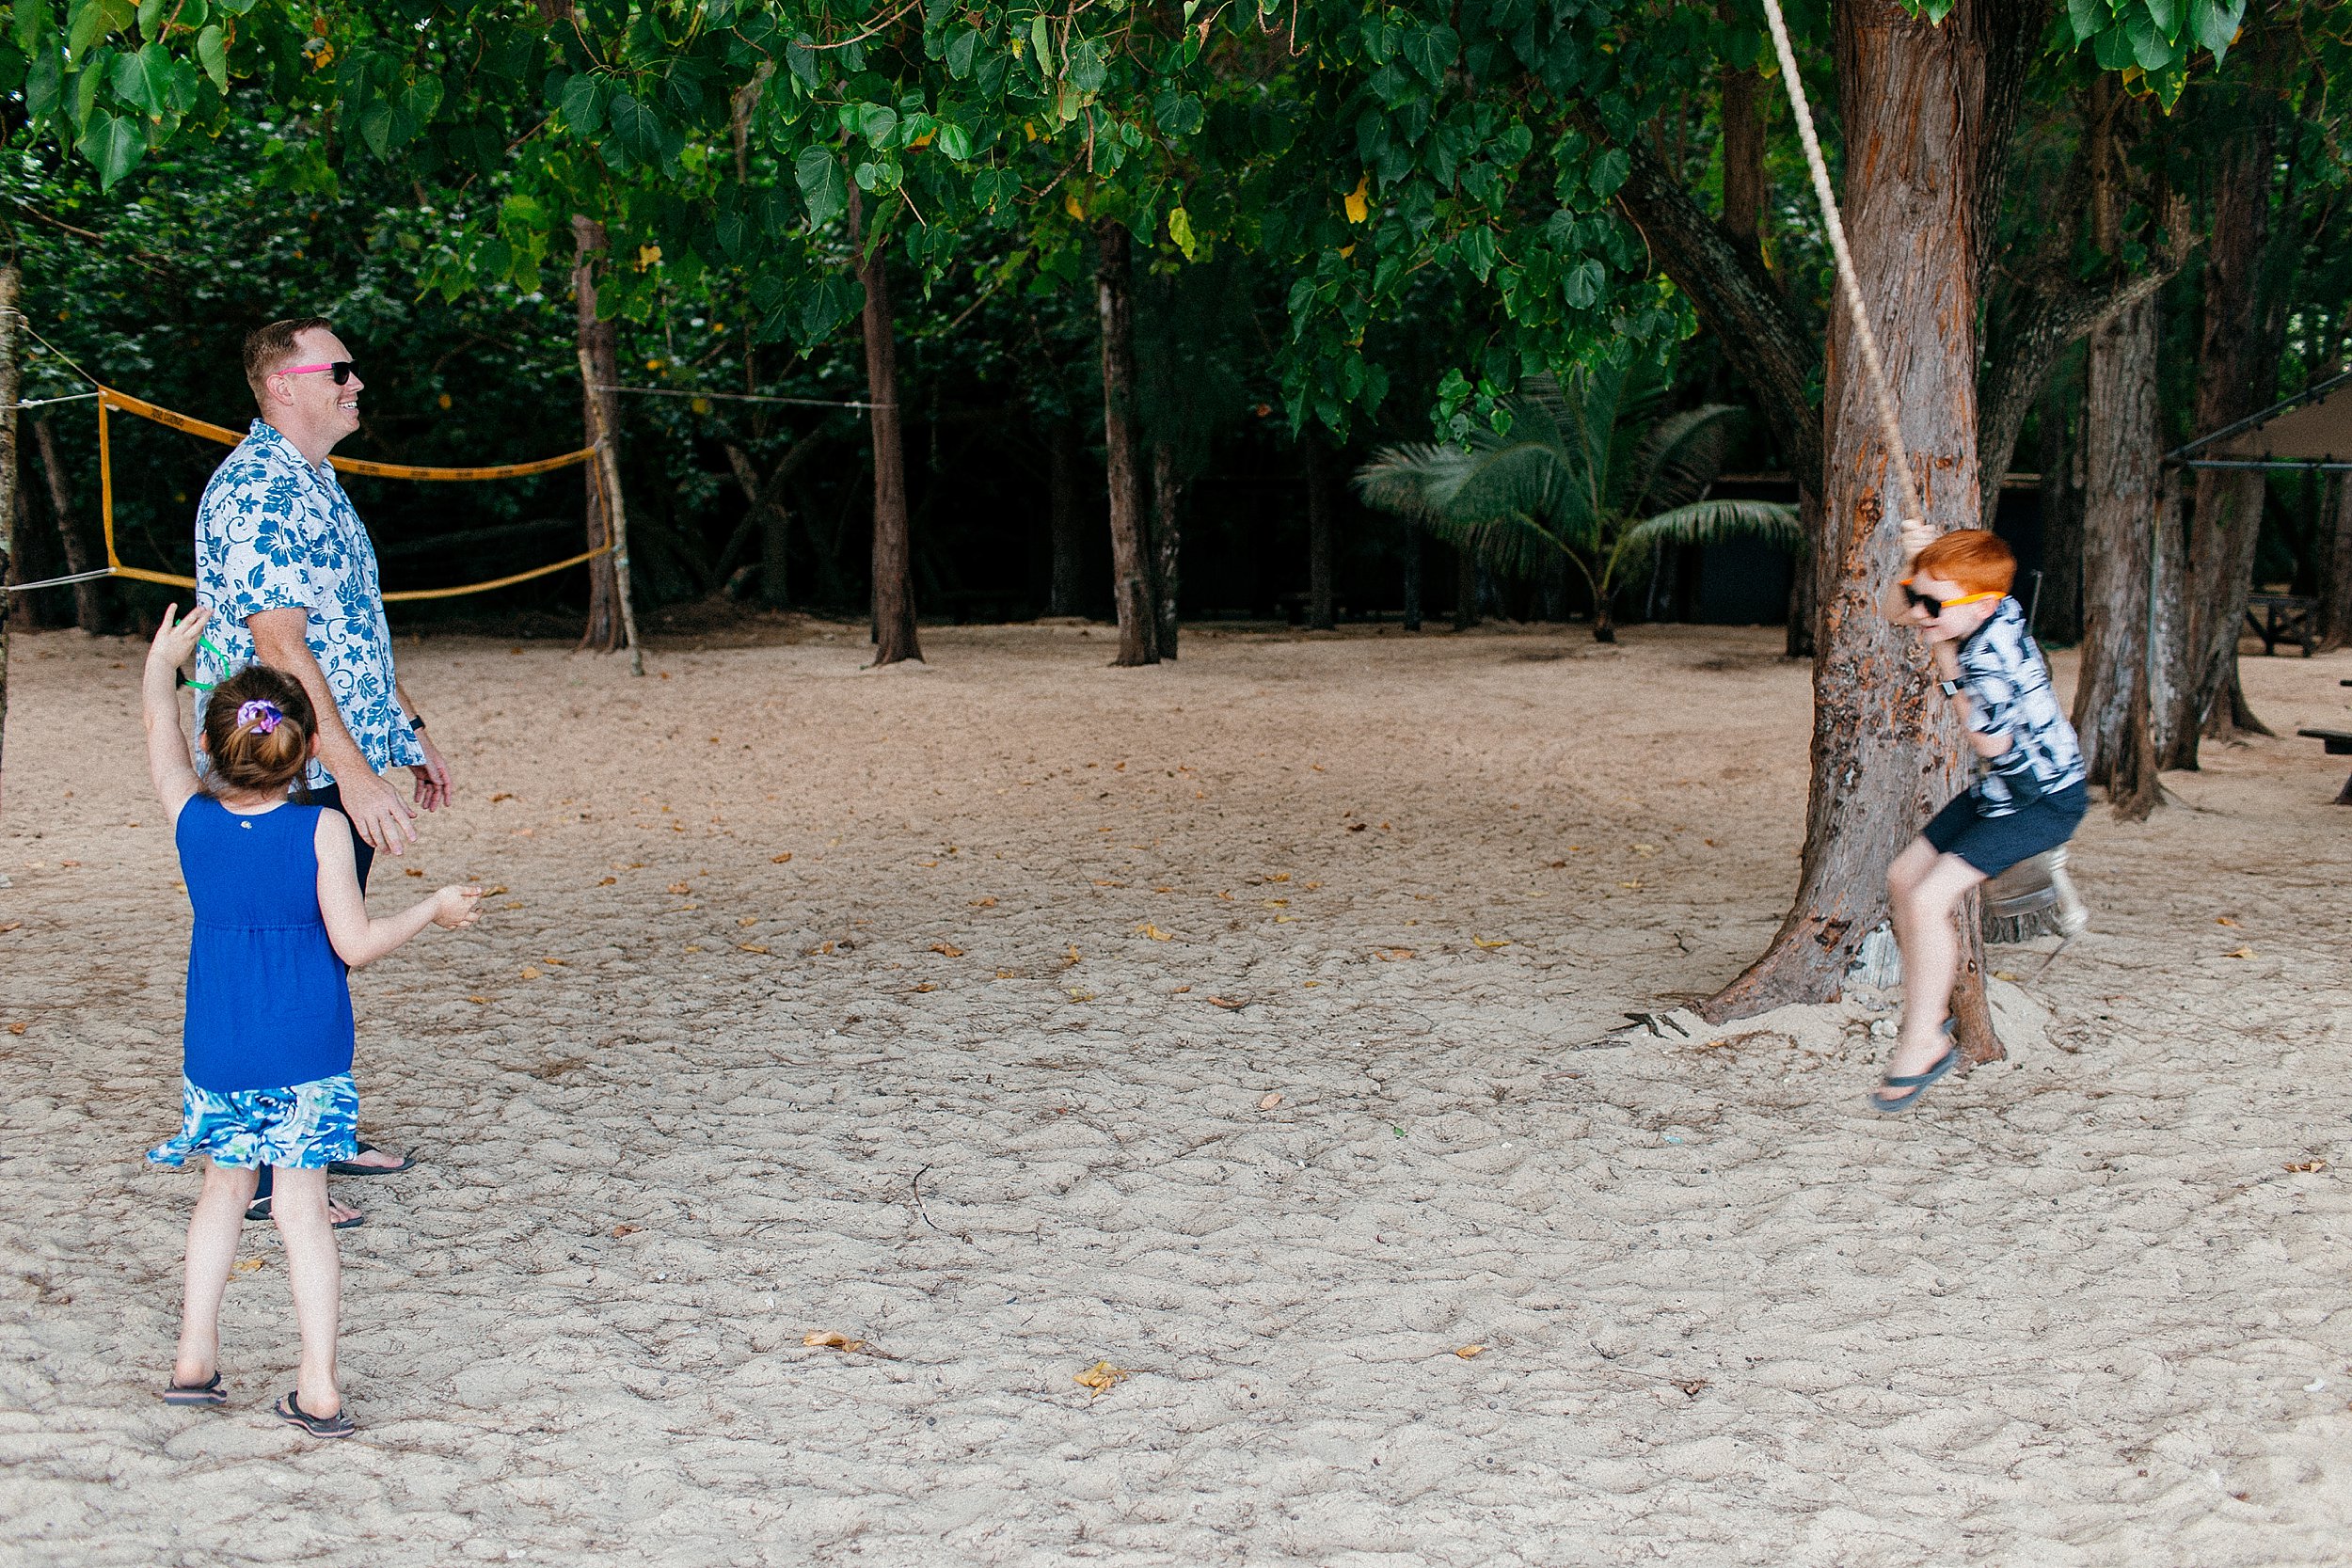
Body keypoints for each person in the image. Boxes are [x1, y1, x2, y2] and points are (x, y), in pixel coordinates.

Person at [143, 604, 481, 1435]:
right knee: (301, 1207)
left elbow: (159, 720)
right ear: (305, 752)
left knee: (223, 1190)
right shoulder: (324, 828)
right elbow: (357, 945)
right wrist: (431, 910)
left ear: (217, 747)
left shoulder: (192, 821)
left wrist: (162, 665)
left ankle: (194, 1358)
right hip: (306, 1047)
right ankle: (318, 1385)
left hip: (217, 1049)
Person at [192, 316, 456, 1225]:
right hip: (285, 764)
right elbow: (281, 645)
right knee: (289, 957)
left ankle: (316, 1136)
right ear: (282, 386)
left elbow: (348, 630)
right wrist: (352, 772)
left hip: (339, 753)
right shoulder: (262, 488)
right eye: (337, 371)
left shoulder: (316, 480)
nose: (355, 384)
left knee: (317, 954)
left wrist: (406, 726)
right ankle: (268, 1169)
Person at [1873, 525, 2088, 1113]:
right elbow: (1896, 610)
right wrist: (1916, 565)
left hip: (2039, 796)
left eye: (1933, 604)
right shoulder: (1996, 606)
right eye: (1920, 596)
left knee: (1926, 900)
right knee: (1901, 877)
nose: (1918, 610)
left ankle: (1923, 1041)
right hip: (1999, 789)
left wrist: (1952, 676)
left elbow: (1993, 746)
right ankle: (1928, 1010)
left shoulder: (1991, 662)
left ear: (1982, 605)